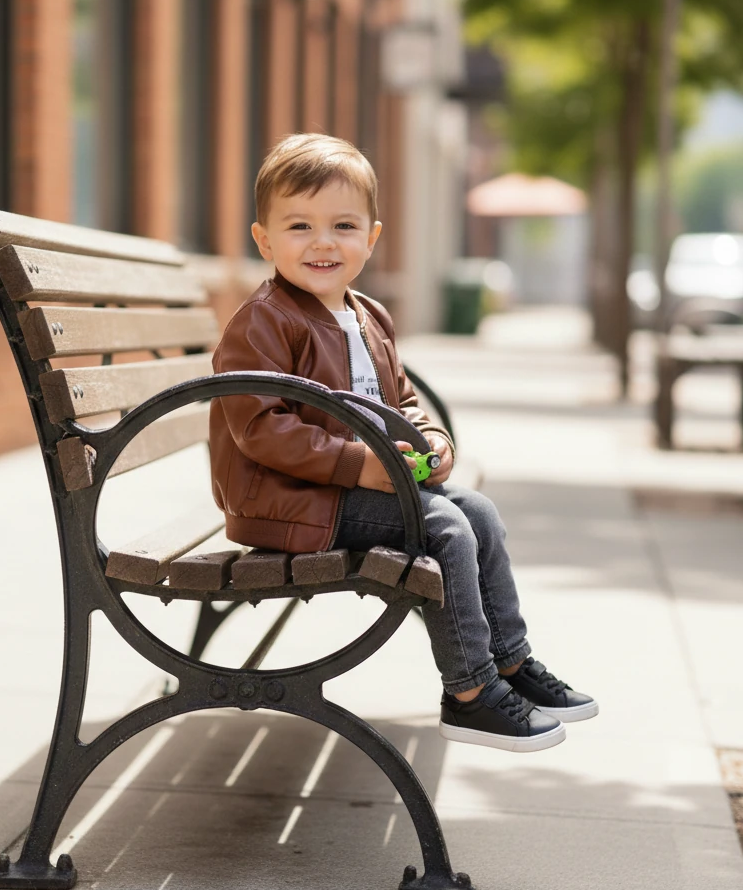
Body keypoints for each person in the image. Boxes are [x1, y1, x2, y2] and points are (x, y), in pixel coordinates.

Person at [209, 133, 597, 752]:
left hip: (347, 487)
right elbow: (259, 428)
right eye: (299, 226)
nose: (323, 242)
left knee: (477, 511)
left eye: (342, 225)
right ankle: (469, 693)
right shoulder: (263, 321)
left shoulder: (368, 315)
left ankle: (508, 661)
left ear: (372, 237)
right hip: (286, 500)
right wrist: (359, 464)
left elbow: (403, 401)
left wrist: (432, 440)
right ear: (263, 240)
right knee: (443, 526)